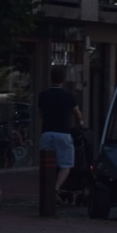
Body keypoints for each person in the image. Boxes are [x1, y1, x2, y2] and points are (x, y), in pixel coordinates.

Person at [37, 65, 84, 202]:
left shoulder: (43, 95)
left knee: (46, 164)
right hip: (63, 133)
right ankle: (55, 188)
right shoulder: (67, 96)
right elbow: (77, 113)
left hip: (47, 133)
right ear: (63, 80)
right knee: (66, 164)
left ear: (51, 78)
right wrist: (80, 123)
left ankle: (46, 190)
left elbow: (41, 114)